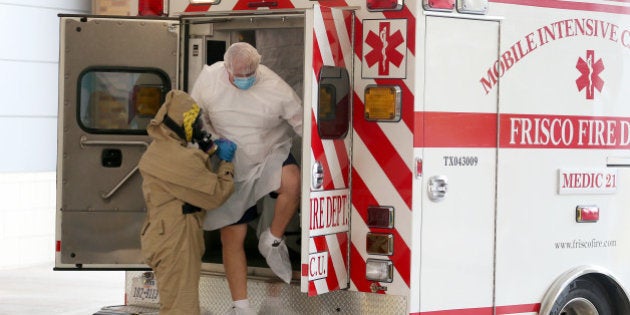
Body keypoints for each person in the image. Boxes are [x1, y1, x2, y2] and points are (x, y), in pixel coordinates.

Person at [191, 42, 302, 314]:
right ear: (226, 67)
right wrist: (213, 141)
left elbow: (302, 122)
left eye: (250, 74)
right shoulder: (209, 80)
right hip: (230, 160)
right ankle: (241, 307)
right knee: (232, 236)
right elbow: (195, 117)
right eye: (238, 76)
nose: (244, 80)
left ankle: (272, 238)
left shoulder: (275, 88)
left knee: (292, 180)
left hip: (268, 152)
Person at [138, 90, 237, 315]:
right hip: (175, 240)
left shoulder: (164, 147)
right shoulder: (176, 158)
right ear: (180, 124)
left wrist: (206, 152)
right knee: (181, 309)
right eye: (194, 123)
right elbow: (216, 194)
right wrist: (226, 164)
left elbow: (189, 170)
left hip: (169, 235)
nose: (199, 128)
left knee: (178, 305)